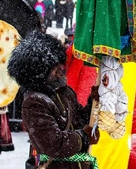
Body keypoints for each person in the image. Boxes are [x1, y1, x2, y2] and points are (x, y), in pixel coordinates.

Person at [8, 31, 99, 168]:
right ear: (39, 72)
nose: (60, 69)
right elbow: (55, 145)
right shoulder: (34, 102)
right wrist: (84, 137)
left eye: (58, 64)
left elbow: (81, 119)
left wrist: (94, 100)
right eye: (53, 67)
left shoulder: (65, 91)